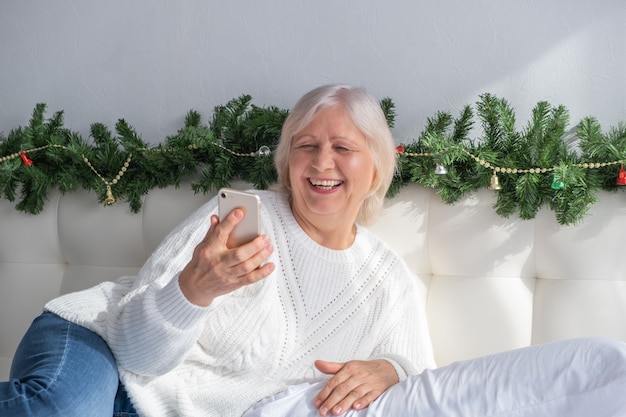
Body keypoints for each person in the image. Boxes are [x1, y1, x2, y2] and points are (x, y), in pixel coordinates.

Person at [1, 85, 625, 417]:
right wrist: (193, 291)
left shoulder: (387, 283)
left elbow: (415, 382)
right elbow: (136, 350)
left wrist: (391, 369)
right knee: (51, 412)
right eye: (306, 146)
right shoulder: (242, 217)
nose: (322, 164)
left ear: (376, 168)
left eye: (343, 148)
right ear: (286, 160)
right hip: (96, 348)